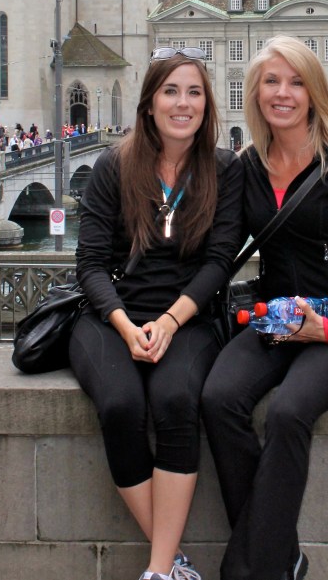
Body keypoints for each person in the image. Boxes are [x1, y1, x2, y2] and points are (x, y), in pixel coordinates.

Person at [201, 35, 328, 580]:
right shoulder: (247, 166)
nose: (282, 93)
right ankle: (281, 558)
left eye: (295, 82)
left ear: (313, 93)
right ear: (255, 92)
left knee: (288, 413)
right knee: (218, 399)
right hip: (278, 318)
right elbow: (222, 254)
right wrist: (165, 307)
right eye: (271, 81)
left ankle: (250, 571)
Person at [69, 47, 244, 580]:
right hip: (109, 317)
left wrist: (170, 321)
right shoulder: (114, 166)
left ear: (206, 103)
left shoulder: (222, 168)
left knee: (174, 400)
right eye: (170, 91)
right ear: (148, 104)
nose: (182, 103)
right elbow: (91, 265)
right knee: (120, 407)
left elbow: (220, 262)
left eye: (194, 92)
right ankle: (172, 562)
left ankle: (160, 572)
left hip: (188, 318)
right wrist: (124, 325)